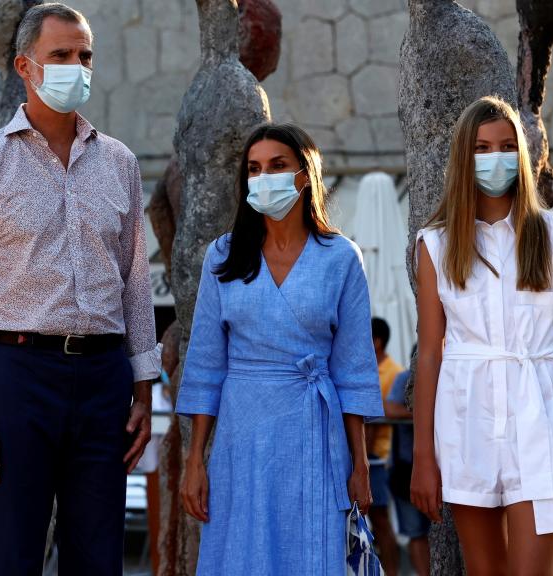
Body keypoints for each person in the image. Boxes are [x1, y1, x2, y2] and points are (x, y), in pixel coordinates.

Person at [0, 4, 160, 575]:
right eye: (61, 56)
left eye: (85, 56)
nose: (76, 67)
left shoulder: (120, 162)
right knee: (12, 549)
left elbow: (135, 281)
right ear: (25, 67)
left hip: (105, 378)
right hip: (15, 374)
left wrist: (144, 389)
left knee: (99, 553)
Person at [411, 96, 553, 575]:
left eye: (504, 146)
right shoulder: (435, 245)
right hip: (466, 423)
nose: (494, 157)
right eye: (481, 147)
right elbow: (431, 355)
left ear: (520, 154)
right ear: (464, 157)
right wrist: (423, 455)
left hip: (538, 418)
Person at [176, 122, 383, 574]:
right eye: (254, 168)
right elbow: (206, 365)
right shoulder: (223, 256)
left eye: (277, 165)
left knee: (315, 552)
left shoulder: (341, 258)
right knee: (244, 552)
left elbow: (354, 369)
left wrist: (360, 463)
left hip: (316, 434)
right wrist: (195, 461)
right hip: (241, 436)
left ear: (304, 174)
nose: (264, 176)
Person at [384, 348, 430, 576]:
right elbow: (390, 408)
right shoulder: (404, 377)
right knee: (415, 531)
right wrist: (425, 414)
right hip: (406, 468)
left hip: (443, 468)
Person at [366, 317, 401, 575]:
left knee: (380, 521)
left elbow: (384, 411)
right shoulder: (366, 367)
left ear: (376, 342)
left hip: (377, 457)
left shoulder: (393, 372)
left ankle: (392, 572)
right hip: (364, 456)